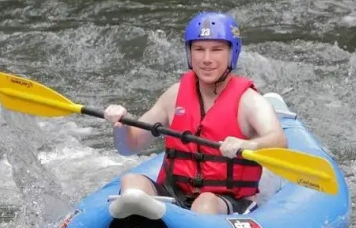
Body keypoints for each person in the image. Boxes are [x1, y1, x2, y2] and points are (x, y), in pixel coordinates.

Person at [102, 11, 288, 217]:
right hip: (175, 195)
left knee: (205, 203)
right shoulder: (174, 95)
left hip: (225, 201)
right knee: (132, 182)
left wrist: (248, 144)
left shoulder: (250, 101)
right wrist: (121, 126)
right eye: (199, 49)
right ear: (190, 52)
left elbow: (279, 141)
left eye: (216, 50)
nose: (206, 59)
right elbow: (129, 146)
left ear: (231, 52)